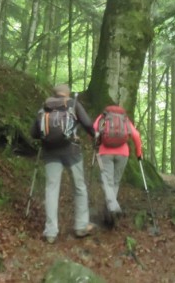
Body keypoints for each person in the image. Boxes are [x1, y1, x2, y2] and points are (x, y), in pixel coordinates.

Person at [30, 83, 96, 244]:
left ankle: (51, 232)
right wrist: (95, 136)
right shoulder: (73, 104)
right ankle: (81, 226)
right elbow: (88, 124)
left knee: (51, 189)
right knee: (79, 187)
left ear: (54, 94)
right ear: (67, 94)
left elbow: (33, 133)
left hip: (50, 152)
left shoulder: (44, 107)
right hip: (71, 151)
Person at [92, 104, 143, 226]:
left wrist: (95, 143)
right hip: (123, 153)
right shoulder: (124, 119)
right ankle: (111, 211)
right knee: (115, 182)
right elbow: (136, 135)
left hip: (105, 152)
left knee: (106, 180)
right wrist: (139, 153)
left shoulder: (103, 118)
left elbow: (94, 130)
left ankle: (113, 207)